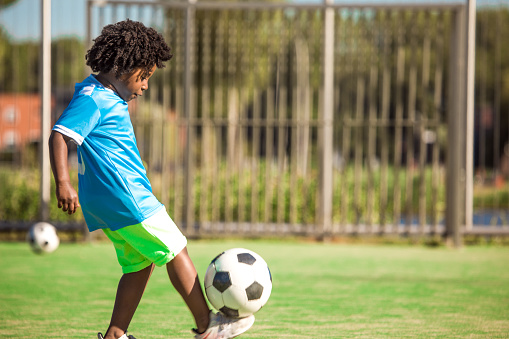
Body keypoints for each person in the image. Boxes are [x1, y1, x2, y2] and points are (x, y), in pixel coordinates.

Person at [48, 19, 254, 339]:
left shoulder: (100, 94)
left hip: (106, 200)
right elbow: (60, 136)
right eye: (143, 76)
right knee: (176, 248)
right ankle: (207, 326)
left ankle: (116, 334)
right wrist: (62, 182)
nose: (144, 86)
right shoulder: (94, 99)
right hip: (126, 196)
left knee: (140, 263)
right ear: (123, 66)